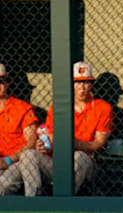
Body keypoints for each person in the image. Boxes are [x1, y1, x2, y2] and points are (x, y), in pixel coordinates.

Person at [20, 62, 113, 196]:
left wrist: (76, 144)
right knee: (28, 155)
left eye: (86, 82)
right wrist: (44, 146)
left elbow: (99, 143)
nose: (82, 87)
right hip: (56, 161)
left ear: (92, 84)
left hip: (86, 162)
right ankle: (34, 200)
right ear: (72, 84)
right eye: (78, 82)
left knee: (79, 156)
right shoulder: (57, 107)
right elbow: (51, 138)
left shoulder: (103, 108)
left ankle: (63, 200)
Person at [0, 63, 39, 195]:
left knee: (2, 186)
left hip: (16, 161)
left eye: (1, 81)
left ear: (7, 83)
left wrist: (9, 159)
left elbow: (32, 141)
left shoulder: (22, 107)